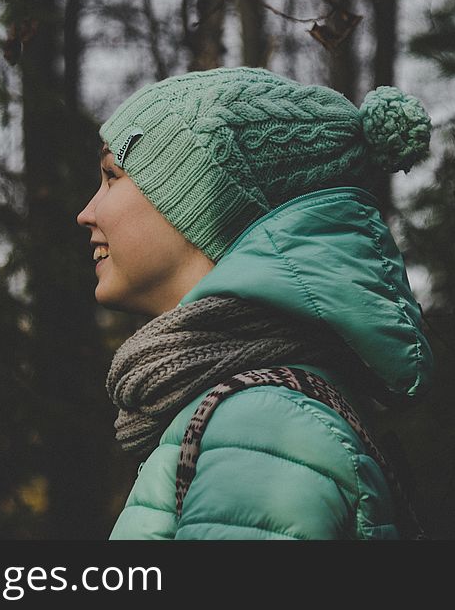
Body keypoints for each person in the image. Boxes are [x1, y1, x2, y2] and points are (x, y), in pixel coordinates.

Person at [76, 66, 433, 540]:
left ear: (202, 201)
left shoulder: (262, 424)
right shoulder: (245, 410)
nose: (86, 213)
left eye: (111, 176)